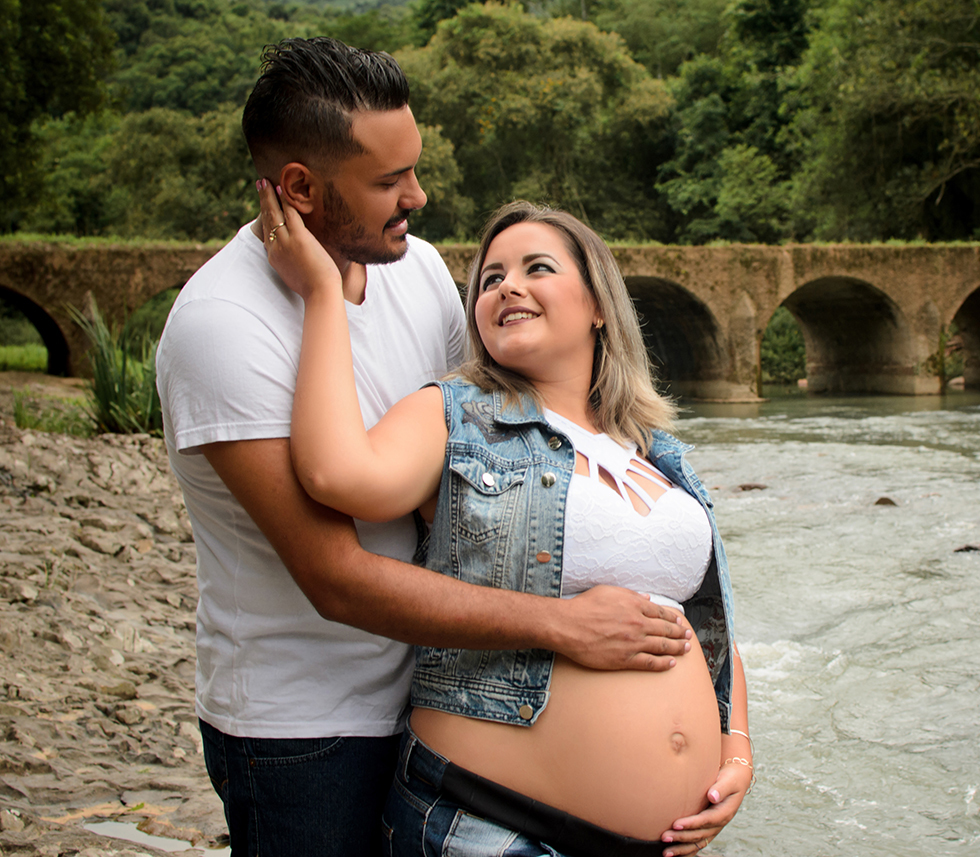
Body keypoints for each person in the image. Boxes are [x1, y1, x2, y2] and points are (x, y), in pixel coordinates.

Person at [155, 38, 692, 857]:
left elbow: (489, 459)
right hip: (306, 726)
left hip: (448, 699)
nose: (419, 193)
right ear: (300, 187)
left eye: (415, 166)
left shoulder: (420, 272)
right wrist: (564, 626)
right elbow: (336, 576)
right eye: (387, 181)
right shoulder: (223, 326)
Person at [259, 191, 754, 857]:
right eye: (491, 279)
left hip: (664, 840)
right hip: (494, 824)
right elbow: (335, 473)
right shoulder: (459, 414)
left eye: (536, 268)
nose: (507, 286)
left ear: (601, 306)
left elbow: (701, 621)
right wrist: (323, 296)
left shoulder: (656, 454)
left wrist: (735, 747)